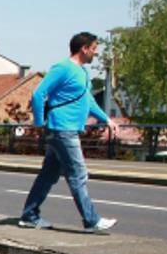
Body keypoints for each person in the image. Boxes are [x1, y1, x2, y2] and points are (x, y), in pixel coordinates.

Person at [19, 32, 116, 233]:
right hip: (62, 129)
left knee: (48, 175)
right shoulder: (63, 68)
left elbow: (87, 100)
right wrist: (39, 122)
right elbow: (39, 94)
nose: (95, 54)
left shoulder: (83, 73)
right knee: (78, 173)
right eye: (94, 49)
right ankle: (91, 220)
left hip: (67, 129)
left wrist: (106, 119)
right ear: (84, 48)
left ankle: (29, 215)